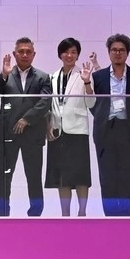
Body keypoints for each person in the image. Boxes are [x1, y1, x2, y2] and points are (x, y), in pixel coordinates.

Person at [90, 34, 130, 216]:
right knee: (107, 176)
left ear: (127, 53)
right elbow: (94, 105)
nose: (117, 53)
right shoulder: (98, 76)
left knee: (126, 175)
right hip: (105, 130)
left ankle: (125, 216)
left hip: (128, 129)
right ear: (109, 53)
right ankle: (110, 218)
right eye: (114, 50)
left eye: (121, 50)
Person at [0, 39, 52, 216]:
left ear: (34, 54)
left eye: (28, 51)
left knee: (34, 176)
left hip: (33, 133)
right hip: (7, 133)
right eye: (21, 51)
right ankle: (3, 214)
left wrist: (27, 119)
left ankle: (35, 214)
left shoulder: (43, 77)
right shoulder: (5, 74)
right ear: (14, 54)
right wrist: (3, 76)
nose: (25, 54)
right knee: (4, 177)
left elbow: (45, 102)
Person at [44, 36, 94, 216]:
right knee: (62, 175)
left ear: (78, 55)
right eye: (66, 52)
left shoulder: (84, 75)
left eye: (73, 52)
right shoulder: (52, 77)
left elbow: (91, 103)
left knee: (81, 175)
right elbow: (49, 105)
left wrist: (87, 82)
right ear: (60, 54)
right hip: (57, 131)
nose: (69, 55)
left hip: (78, 130)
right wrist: (48, 126)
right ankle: (65, 213)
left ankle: (82, 212)